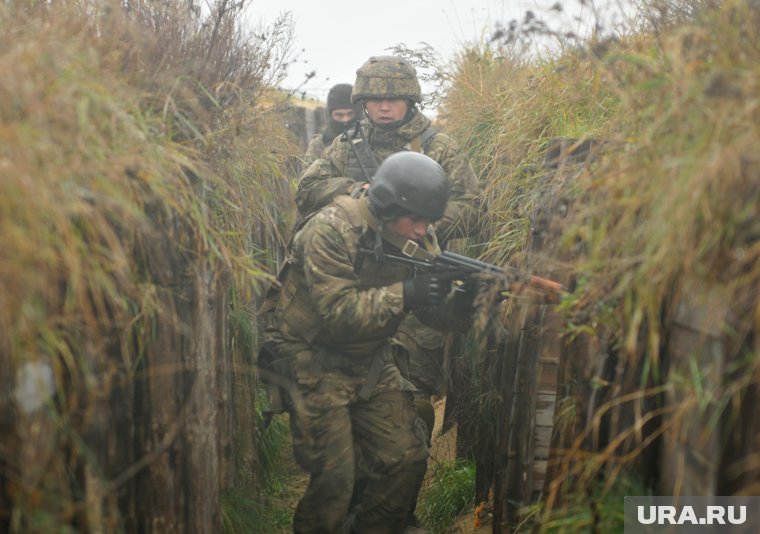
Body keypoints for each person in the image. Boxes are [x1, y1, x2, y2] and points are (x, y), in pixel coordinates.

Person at [295, 55, 486, 528]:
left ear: (410, 100)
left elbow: (474, 206)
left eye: (393, 99)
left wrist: (418, 221)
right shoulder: (348, 145)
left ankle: (394, 514)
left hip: (416, 287)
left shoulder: (439, 145)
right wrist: (362, 190)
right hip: (358, 286)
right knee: (344, 460)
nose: (383, 108)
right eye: (375, 99)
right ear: (363, 102)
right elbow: (308, 188)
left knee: (412, 411)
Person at [260, 152, 474, 533]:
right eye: (418, 220)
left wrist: (463, 302)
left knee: (406, 457)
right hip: (311, 359)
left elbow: (432, 313)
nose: (424, 230)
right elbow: (339, 316)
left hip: (370, 359)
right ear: (389, 206)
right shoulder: (329, 229)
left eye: (430, 221)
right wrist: (407, 293)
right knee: (335, 480)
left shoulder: (415, 232)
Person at [303, 83, 363, 165]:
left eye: (350, 114)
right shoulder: (319, 144)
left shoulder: (370, 138)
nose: (345, 120)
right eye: (339, 115)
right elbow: (307, 175)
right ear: (330, 115)